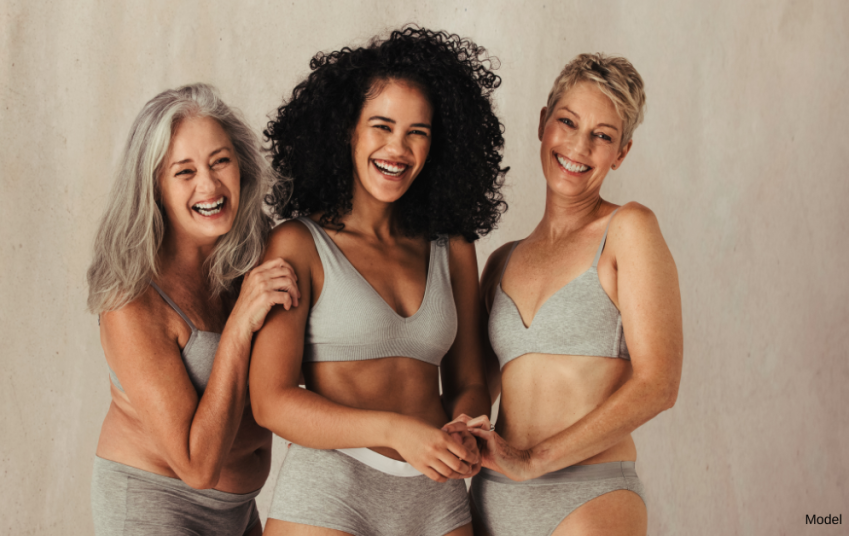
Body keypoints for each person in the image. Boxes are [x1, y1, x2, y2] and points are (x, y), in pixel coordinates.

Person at [249, 27, 508, 536]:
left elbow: (470, 382)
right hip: (331, 491)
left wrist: (466, 425)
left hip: (435, 494)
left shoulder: (450, 244)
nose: (399, 148)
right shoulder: (299, 244)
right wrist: (396, 430)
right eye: (382, 126)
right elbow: (271, 400)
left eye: (418, 132)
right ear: (348, 130)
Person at [466, 53, 683, 536]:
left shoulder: (629, 229)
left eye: (602, 135)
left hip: (590, 495)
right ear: (543, 124)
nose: (579, 146)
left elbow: (659, 384)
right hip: (492, 498)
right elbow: (474, 394)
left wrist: (531, 460)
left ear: (620, 153)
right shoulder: (502, 261)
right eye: (568, 122)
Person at [86, 84, 300, 536]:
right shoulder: (132, 299)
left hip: (240, 513)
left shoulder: (250, 261)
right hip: (155, 508)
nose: (209, 185)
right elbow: (196, 466)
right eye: (184, 172)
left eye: (220, 161)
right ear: (155, 187)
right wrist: (240, 323)